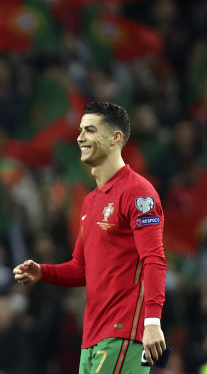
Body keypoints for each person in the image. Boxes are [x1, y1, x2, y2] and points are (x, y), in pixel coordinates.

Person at [13, 102, 168, 372]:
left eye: (90, 130)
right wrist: (43, 272)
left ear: (115, 138)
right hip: (92, 338)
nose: (80, 137)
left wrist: (152, 323)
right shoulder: (90, 202)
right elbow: (81, 269)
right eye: (80, 130)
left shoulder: (138, 193)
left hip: (123, 333)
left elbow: (154, 259)